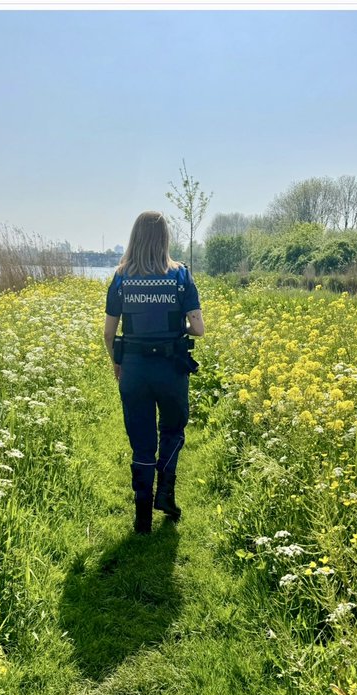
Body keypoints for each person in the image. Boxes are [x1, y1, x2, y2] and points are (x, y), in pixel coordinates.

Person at [103, 211, 205, 535]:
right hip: (171, 369)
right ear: (165, 239)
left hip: (134, 370)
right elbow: (199, 329)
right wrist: (178, 324)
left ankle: (142, 520)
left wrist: (116, 363)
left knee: (142, 442)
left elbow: (109, 333)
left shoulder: (121, 278)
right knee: (173, 431)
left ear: (134, 238)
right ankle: (166, 494)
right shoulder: (180, 276)